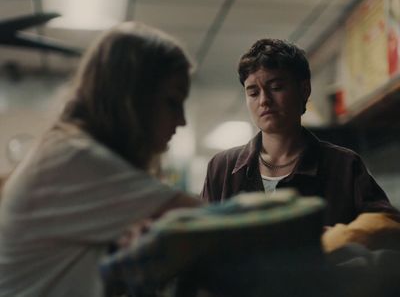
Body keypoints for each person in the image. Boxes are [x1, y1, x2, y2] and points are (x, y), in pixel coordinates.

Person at [0, 22, 202, 297]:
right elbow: (211, 224)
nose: (181, 120)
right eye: (172, 101)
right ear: (132, 98)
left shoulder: (68, 149)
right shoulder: (76, 157)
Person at [201, 38, 399, 225]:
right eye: (253, 92)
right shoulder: (223, 169)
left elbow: (387, 225)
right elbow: (198, 241)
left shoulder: (344, 166)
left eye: (276, 87)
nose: (264, 100)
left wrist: (335, 239)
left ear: (304, 90)